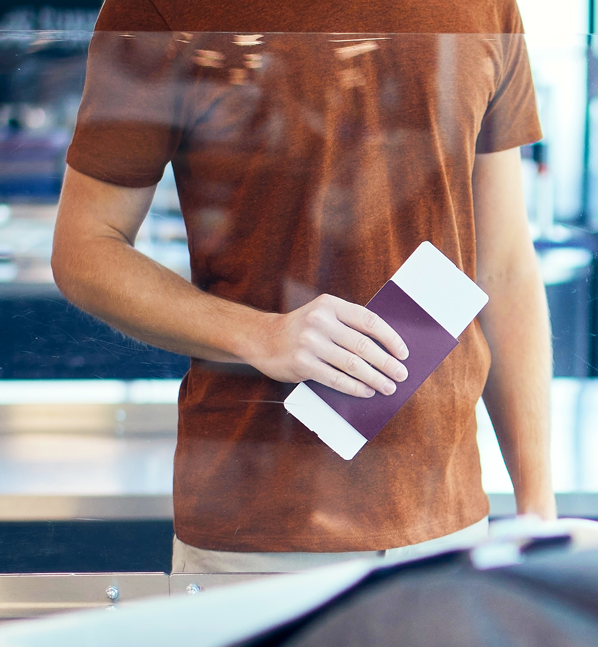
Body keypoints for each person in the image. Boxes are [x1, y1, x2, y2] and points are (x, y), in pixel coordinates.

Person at [51, 0, 555, 573]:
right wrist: (262, 336)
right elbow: (85, 247)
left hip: (453, 528)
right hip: (257, 535)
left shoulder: (488, 6)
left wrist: (538, 511)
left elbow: (504, 266)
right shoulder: (160, 8)